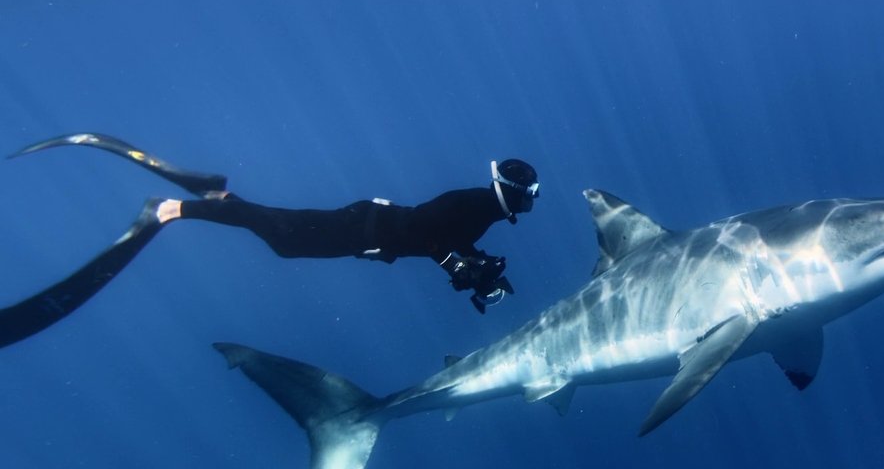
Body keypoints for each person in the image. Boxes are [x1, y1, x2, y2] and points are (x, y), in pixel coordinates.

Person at [0, 133, 539, 349]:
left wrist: (477, 268)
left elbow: (441, 241)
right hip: (365, 227)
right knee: (282, 237)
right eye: (529, 195)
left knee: (281, 235)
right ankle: (172, 209)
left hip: (367, 230)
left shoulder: (485, 214)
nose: (531, 203)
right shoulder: (471, 203)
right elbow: (428, 230)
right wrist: (455, 261)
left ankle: (217, 199)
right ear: (510, 191)